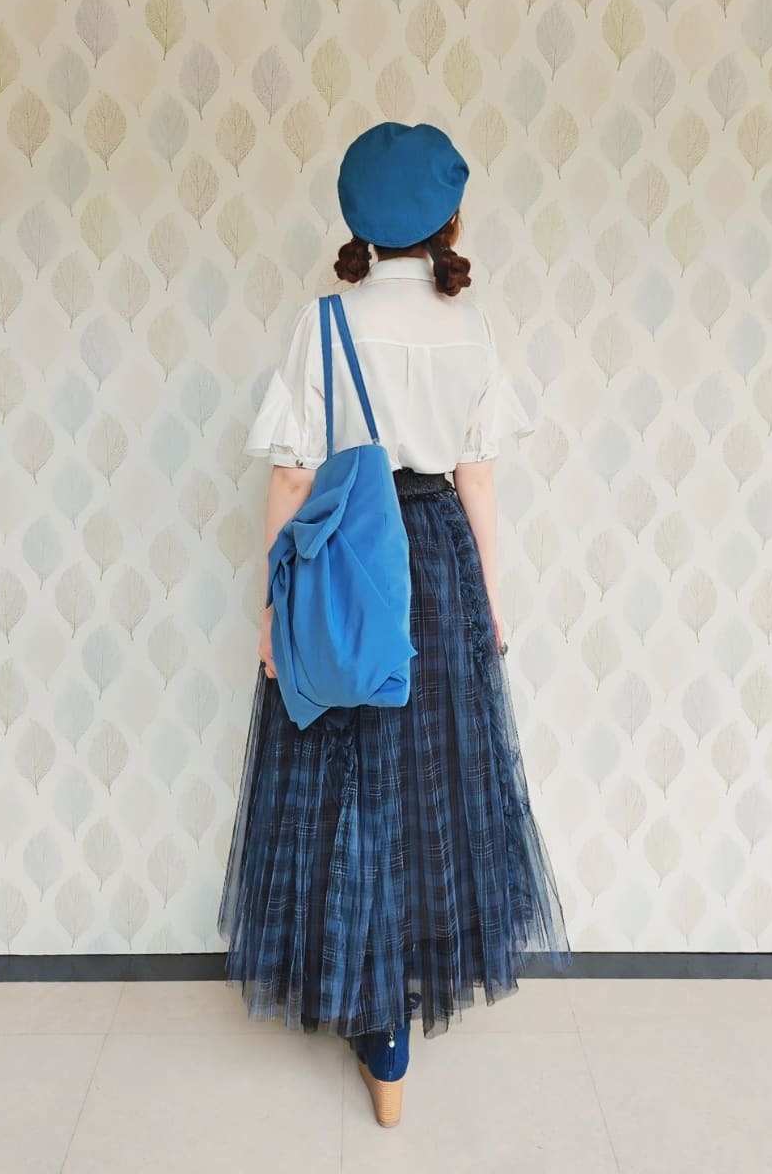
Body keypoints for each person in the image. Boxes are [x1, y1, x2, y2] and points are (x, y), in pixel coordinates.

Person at [217, 121, 573, 1128]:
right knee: (433, 787)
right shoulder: (471, 329)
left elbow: (294, 477)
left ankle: (373, 1024)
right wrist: (490, 604)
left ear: (361, 221)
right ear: (447, 221)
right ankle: (401, 1019)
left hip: (349, 561)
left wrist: (272, 611)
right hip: (439, 565)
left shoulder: (326, 321)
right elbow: (477, 481)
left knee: (341, 777)